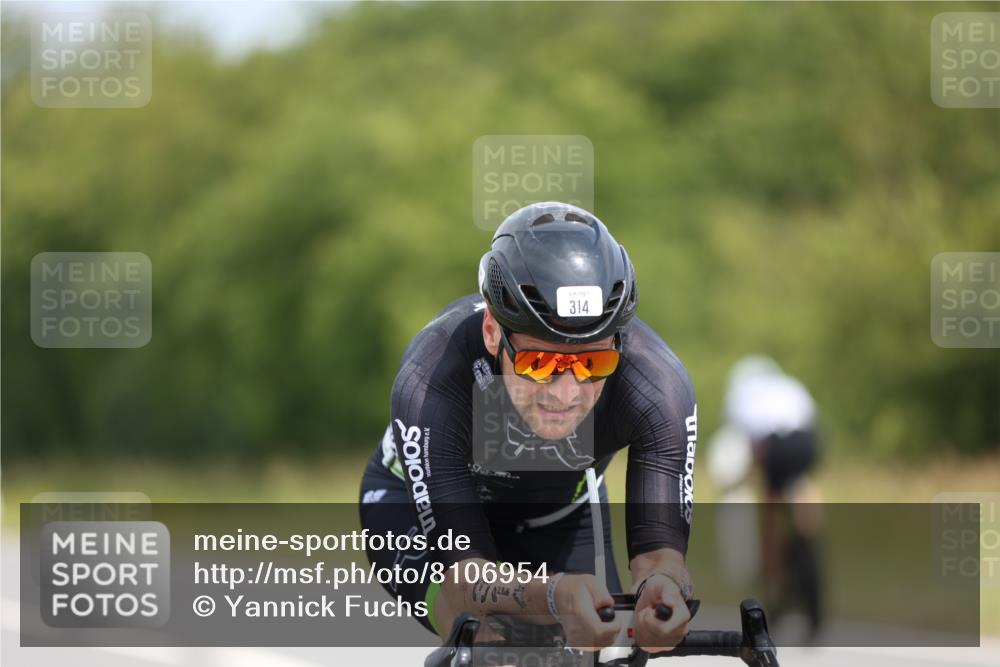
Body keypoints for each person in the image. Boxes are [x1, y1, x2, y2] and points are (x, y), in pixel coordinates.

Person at [358, 202, 698, 653]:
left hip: (560, 510)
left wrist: (663, 591)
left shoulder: (655, 385)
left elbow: (659, 555)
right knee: (482, 636)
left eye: (593, 363)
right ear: (493, 333)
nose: (566, 393)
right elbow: (463, 581)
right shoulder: (435, 378)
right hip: (413, 510)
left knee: (608, 650)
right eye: (540, 363)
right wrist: (551, 596)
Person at [720, 355, 824, 641]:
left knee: (771, 525)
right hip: (807, 441)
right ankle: (807, 538)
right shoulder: (788, 385)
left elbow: (755, 451)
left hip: (776, 445)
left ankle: (774, 596)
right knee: (804, 509)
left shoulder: (740, 396)